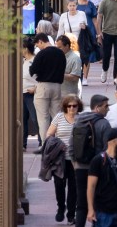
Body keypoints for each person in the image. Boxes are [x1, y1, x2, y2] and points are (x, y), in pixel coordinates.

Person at [69, 94, 112, 227]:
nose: (108, 109)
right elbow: (108, 148)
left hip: (80, 167)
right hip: (97, 169)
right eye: (106, 106)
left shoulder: (79, 121)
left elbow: (71, 146)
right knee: (98, 202)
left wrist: (75, 163)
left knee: (81, 203)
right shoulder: (104, 123)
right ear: (97, 107)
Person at [47, 95, 82, 224]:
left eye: (74, 106)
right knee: (59, 185)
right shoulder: (59, 117)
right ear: (65, 107)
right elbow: (49, 134)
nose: (72, 108)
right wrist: (57, 144)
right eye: (69, 106)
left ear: (78, 107)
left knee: (74, 188)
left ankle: (71, 215)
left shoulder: (81, 119)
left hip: (75, 159)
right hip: (60, 159)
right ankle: (61, 207)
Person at [29, 33, 66, 145]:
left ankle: (46, 144)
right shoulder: (61, 53)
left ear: (41, 41)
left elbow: (32, 71)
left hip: (43, 86)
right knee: (57, 116)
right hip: (57, 87)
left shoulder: (41, 54)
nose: (37, 47)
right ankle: (60, 143)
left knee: (43, 118)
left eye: (37, 44)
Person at [77, 0, 99, 85]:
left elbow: (95, 20)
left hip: (89, 32)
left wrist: (98, 33)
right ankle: (78, 74)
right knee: (77, 54)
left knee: (87, 54)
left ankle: (85, 77)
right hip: (77, 31)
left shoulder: (91, 4)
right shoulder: (75, 4)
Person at [21, 38, 39, 151]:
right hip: (22, 93)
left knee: (35, 118)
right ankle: (23, 143)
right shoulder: (22, 61)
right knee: (22, 119)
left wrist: (36, 88)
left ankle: (42, 142)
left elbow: (42, 77)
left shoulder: (35, 61)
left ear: (25, 49)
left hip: (31, 93)